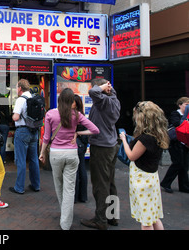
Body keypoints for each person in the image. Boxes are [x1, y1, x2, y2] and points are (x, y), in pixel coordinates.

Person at [39, 88, 99, 230]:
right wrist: (78, 132)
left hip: (55, 154)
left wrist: (42, 152)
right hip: (72, 154)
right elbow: (95, 130)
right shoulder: (77, 115)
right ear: (72, 101)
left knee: (59, 185)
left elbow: (46, 137)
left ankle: (64, 216)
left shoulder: (50, 114)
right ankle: (65, 222)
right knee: (69, 188)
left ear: (60, 100)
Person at [119, 101, 169, 230]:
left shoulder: (144, 139)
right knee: (153, 216)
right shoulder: (159, 134)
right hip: (152, 178)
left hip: (142, 180)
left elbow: (131, 156)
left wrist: (124, 140)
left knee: (146, 222)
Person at [80, 78, 121, 230]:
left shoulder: (104, 101)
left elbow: (92, 92)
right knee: (110, 183)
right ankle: (112, 217)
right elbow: (97, 92)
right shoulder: (114, 100)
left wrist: (102, 87)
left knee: (100, 184)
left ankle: (101, 220)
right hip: (111, 145)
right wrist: (108, 87)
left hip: (102, 147)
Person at [10, 79, 41, 194]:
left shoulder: (21, 100)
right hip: (34, 131)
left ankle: (19, 187)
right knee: (33, 159)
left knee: (21, 160)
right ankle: (36, 185)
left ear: (19, 88)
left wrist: (13, 115)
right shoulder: (34, 97)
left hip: (22, 131)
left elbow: (16, 117)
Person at [160, 97, 189, 193]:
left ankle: (184, 186)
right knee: (177, 163)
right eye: (186, 104)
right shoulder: (175, 114)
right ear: (180, 105)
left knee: (184, 165)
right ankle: (166, 183)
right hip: (175, 143)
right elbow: (177, 124)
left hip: (184, 143)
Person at [73, 95, 89, 203]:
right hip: (82, 144)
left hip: (76, 145)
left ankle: (74, 196)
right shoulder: (82, 115)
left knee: (75, 171)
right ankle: (83, 196)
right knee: (82, 169)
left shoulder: (74, 116)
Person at [0, 96, 10, 162]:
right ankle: (2, 159)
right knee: (3, 143)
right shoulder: (6, 106)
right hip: (5, 125)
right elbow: (8, 116)